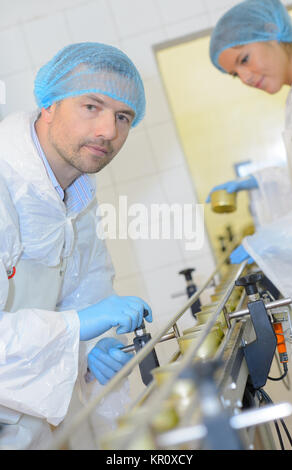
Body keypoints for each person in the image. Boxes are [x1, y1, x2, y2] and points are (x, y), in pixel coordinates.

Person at [0, 42, 152, 449]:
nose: (109, 131)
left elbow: (88, 295)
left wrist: (93, 348)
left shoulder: (76, 198)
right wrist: (77, 327)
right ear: (48, 103)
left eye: (123, 116)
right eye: (92, 106)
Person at [206, 0, 292, 304]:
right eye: (235, 73)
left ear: (273, 30)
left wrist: (268, 241)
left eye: (244, 59)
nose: (245, 78)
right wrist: (259, 182)